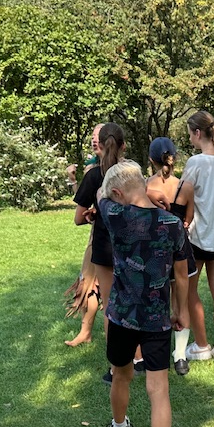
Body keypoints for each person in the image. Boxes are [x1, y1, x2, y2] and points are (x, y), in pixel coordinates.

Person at [98, 161, 189, 427]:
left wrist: (142, 191)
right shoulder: (172, 223)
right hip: (157, 318)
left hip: (121, 316)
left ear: (118, 193)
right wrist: (180, 310)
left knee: (121, 374)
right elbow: (181, 274)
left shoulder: (114, 214)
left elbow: (101, 197)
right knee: (158, 389)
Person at [73, 123, 128, 383]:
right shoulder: (131, 173)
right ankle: (138, 358)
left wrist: (93, 213)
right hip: (131, 245)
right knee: (131, 302)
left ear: (102, 146)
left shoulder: (94, 176)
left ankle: (115, 367)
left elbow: (78, 219)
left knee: (110, 307)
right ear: (123, 146)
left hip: (105, 247)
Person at [181, 111, 214, 361]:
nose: (189, 139)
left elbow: (182, 195)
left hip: (197, 234)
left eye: (190, 134)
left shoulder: (196, 162)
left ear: (197, 132)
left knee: (190, 290)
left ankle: (201, 345)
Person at [146, 136, 197, 376]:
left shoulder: (145, 186)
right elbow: (189, 218)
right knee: (181, 301)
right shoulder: (185, 186)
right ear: (174, 158)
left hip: (154, 249)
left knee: (157, 300)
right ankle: (180, 356)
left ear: (151, 160)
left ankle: (155, 351)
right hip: (180, 247)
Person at [64, 125, 107, 346]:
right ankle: (86, 332)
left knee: (91, 284)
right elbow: (84, 200)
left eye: (98, 136)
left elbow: (79, 216)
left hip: (101, 240)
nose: (94, 140)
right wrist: (74, 182)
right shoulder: (126, 169)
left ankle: (91, 332)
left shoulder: (98, 172)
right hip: (120, 239)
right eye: (92, 136)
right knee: (92, 285)